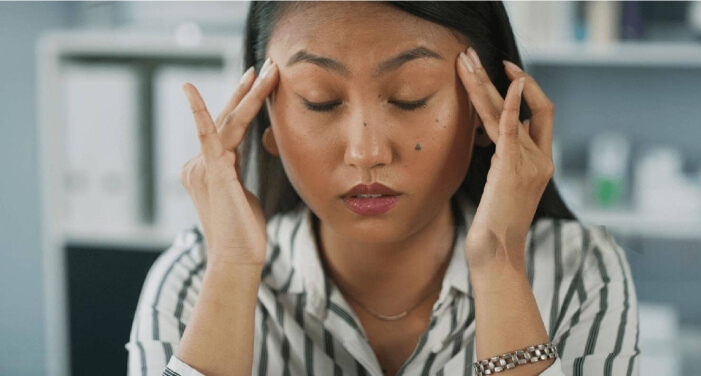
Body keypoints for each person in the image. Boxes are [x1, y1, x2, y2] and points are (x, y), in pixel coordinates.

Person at [126, 2, 639, 375]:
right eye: (321, 101)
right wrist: (232, 270)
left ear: (487, 115)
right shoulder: (194, 282)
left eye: (409, 97)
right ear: (268, 123)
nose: (365, 152)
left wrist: (501, 264)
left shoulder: (581, 273)